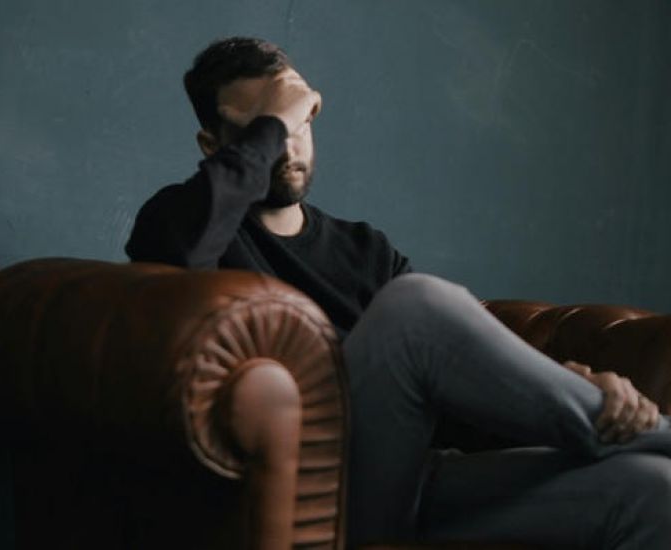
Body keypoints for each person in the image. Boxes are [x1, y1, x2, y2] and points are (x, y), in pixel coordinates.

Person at [125, 37, 671, 549]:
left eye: (300, 122)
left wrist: (562, 383)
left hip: (415, 481)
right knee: (415, 306)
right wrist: (278, 115)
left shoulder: (365, 249)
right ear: (212, 145)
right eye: (267, 128)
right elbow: (175, 255)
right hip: (318, 490)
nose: (287, 144)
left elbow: (453, 391)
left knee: (652, 488)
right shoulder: (181, 222)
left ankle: (632, 437)